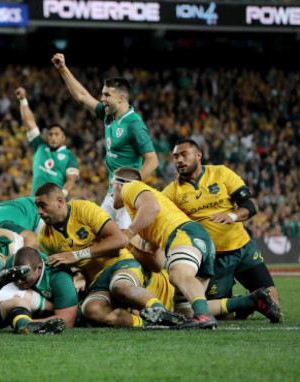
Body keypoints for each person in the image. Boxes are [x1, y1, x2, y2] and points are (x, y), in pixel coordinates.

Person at [163, 138, 281, 323]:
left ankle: (249, 300)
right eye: (175, 156)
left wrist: (233, 216)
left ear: (198, 155)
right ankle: (247, 301)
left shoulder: (221, 173)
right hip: (213, 258)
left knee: (274, 301)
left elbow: (251, 204)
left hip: (242, 248)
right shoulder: (171, 192)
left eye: (184, 155)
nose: (179, 160)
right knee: (225, 316)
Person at [34, 182, 181, 328]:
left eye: (43, 205)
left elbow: (119, 240)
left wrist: (77, 255)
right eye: (37, 206)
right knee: (91, 309)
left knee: (120, 287)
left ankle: (160, 311)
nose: (39, 211)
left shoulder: (84, 209)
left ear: (60, 201)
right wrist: (77, 272)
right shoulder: (45, 238)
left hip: (119, 263)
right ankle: (146, 324)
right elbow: (65, 264)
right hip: (96, 280)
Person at [52, 53, 158, 229]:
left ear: (121, 98)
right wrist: (63, 69)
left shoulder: (134, 124)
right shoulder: (109, 116)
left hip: (127, 197)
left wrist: (129, 188)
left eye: (106, 95)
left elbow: (153, 160)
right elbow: (82, 97)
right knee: (98, 233)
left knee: (125, 244)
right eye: (102, 94)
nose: (102, 99)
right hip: (112, 194)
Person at [110, 166, 218, 329]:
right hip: (196, 238)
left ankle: (203, 316)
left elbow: (152, 207)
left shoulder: (131, 187)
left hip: (183, 234)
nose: (110, 193)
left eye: (112, 186)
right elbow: (157, 264)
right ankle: (248, 301)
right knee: (185, 312)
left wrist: (127, 234)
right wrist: (129, 247)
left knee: (177, 275)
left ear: (120, 185)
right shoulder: (143, 217)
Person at [14, 86, 79, 197]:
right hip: (34, 200)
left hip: (53, 203)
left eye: (57, 134)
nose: (53, 137)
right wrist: (23, 100)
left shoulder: (69, 155)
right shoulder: (39, 145)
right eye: (50, 134)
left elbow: (71, 179)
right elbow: (29, 122)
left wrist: (62, 195)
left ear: (63, 138)